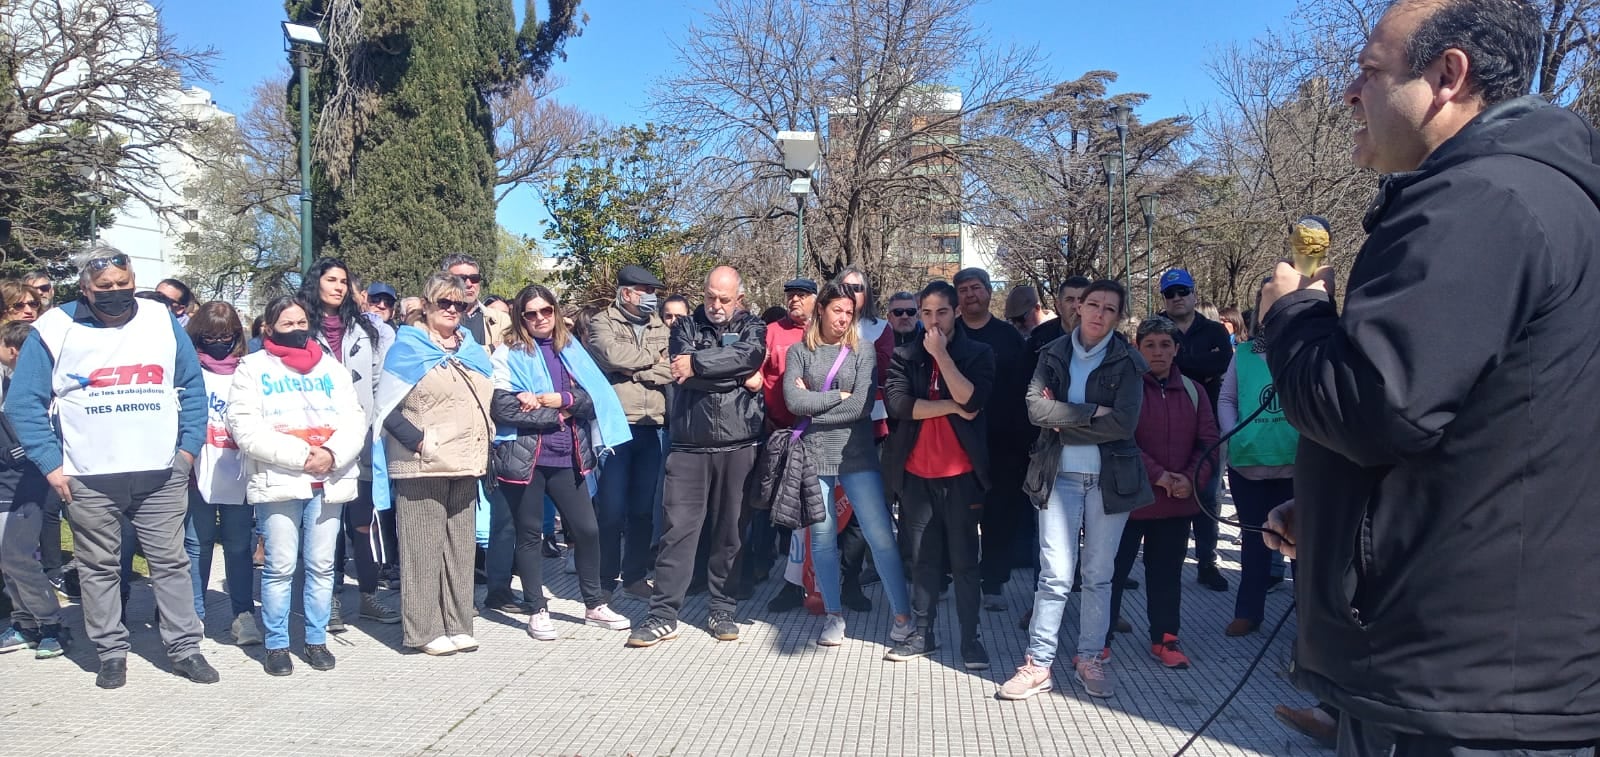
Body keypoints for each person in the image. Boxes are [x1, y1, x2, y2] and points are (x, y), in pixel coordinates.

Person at [1260, 1, 1600, 753]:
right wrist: (1335, 514)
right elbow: (1488, 439)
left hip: (1457, 690)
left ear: (1448, 77)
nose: (1349, 92)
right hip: (1483, 671)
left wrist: (1294, 313)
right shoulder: (1534, 197)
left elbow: (1374, 406)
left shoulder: (1480, 200)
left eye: (1370, 72)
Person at [7, 245, 218, 689]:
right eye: (105, 287)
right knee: (98, 566)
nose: (117, 293)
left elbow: (191, 388)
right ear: (85, 287)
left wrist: (187, 452)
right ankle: (111, 652)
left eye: (124, 284)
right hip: (86, 476)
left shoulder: (160, 320)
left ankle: (185, 648)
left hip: (160, 472)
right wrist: (51, 464)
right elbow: (24, 403)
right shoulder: (55, 326)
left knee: (171, 563)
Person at [999, 279, 1150, 701]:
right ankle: (1038, 664)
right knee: (1055, 576)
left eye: (1110, 308)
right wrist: (1089, 412)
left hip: (1110, 479)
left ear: (1118, 317)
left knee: (1099, 575)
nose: (1099, 314)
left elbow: (1123, 423)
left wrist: (1063, 419)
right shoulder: (1053, 353)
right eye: (1093, 304)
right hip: (1058, 474)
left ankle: (1090, 658)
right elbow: (1034, 408)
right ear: (1077, 308)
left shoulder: (1128, 361)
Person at [226, 296, 366, 675]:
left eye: (302, 322)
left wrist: (332, 455)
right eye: (287, 324)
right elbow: (244, 426)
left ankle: (316, 639)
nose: (297, 330)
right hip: (281, 479)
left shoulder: (332, 368)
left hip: (328, 479)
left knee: (321, 566)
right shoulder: (252, 369)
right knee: (280, 567)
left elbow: (355, 419)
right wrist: (301, 456)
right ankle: (276, 644)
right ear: (268, 329)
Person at [628, 266, 765, 647]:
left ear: (738, 297)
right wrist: (738, 374)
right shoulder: (684, 326)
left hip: (739, 444)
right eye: (710, 296)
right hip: (689, 445)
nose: (716, 305)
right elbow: (680, 369)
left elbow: (748, 356)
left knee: (731, 532)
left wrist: (703, 366)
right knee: (678, 532)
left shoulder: (754, 326)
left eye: (724, 298)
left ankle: (722, 607)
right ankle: (661, 615)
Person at [491, 284, 633, 639]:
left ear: (555, 312)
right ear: (520, 318)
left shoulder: (572, 349)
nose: (540, 318)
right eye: (531, 313)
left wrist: (558, 399)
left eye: (546, 311)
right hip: (525, 457)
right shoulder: (506, 354)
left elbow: (593, 399)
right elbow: (501, 407)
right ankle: (537, 608)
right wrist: (556, 414)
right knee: (529, 534)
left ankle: (594, 604)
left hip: (568, 455)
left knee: (587, 529)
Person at [783, 281, 913, 647]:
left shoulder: (863, 351)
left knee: (880, 537)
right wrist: (835, 396)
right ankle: (833, 615)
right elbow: (793, 401)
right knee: (822, 541)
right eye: (837, 310)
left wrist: (815, 399)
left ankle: (903, 616)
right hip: (814, 454)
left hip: (857, 455)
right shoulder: (799, 351)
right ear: (821, 309)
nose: (843, 318)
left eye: (849, 313)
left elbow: (861, 406)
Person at [375, 272, 496, 656]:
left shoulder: (471, 348)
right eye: (443, 302)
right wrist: (420, 442)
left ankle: (458, 623)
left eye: (458, 304)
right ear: (425, 306)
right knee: (422, 548)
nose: (451, 310)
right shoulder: (407, 347)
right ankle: (423, 630)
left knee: (460, 548)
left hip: (466, 460)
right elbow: (386, 409)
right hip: (422, 462)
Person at [881, 280, 995, 669]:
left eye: (941, 313)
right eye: (925, 313)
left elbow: (974, 400)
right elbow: (899, 405)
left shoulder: (978, 353)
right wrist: (948, 405)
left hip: (961, 475)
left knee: (964, 561)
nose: (932, 321)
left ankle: (970, 638)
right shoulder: (904, 355)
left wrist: (942, 357)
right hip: (916, 474)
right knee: (922, 560)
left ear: (956, 312)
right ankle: (922, 632)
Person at [1105, 316, 1217, 670]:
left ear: (1177, 349)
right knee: (1112, 572)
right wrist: (1158, 475)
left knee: (1167, 574)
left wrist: (1189, 478)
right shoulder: (1125, 388)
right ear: (1137, 347)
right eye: (1150, 344)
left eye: (1166, 345)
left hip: (1176, 503)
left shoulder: (1194, 391)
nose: (1158, 352)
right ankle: (1100, 639)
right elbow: (1119, 439)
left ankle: (1165, 638)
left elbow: (1210, 443)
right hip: (1129, 501)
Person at [298, 257, 397, 629]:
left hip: (362, 437)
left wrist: (375, 427)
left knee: (361, 520)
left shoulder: (364, 328)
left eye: (344, 281)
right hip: (319, 437)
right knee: (327, 523)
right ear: (316, 283)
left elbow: (376, 381)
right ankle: (332, 600)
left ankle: (369, 595)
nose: (338, 287)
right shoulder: (303, 325)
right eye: (331, 280)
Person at [586, 265, 674, 603]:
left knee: (641, 509)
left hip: (651, 425)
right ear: (626, 292)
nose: (652, 296)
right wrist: (651, 359)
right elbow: (611, 355)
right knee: (610, 509)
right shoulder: (602, 322)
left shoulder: (658, 324)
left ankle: (635, 575)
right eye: (644, 289)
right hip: (615, 426)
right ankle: (605, 579)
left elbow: (671, 367)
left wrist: (633, 370)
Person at [1221, 278, 1298, 638]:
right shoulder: (1245, 354)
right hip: (1248, 463)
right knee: (1254, 539)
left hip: (1295, 463)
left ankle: (1308, 620)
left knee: (1302, 544)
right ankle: (1248, 612)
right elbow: (1227, 400)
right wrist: (1232, 432)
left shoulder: (1303, 349)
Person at [951, 267, 1030, 612]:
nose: (970, 295)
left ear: (988, 292)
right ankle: (954, 575)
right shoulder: (947, 335)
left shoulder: (1009, 337)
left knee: (999, 514)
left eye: (976, 288)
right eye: (964, 290)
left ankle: (994, 581)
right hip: (956, 439)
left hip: (1003, 439)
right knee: (957, 515)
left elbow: (1023, 388)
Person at [183, 302, 259, 646]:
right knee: (195, 545)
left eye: (225, 336)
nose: (217, 342)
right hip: (196, 470)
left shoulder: (249, 368)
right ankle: (194, 615)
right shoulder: (187, 367)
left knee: (239, 546)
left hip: (239, 468)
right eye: (209, 336)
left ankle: (243, 615)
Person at [1156, 268, 1232, 592]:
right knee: (1164, 490)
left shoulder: (1215, 330)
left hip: (1208, 422)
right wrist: (1201, 366)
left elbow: (1223, 365)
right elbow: (1154, 366)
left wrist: (1182, 364)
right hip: (1163, 421)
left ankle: (1206, 562)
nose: (1177, 299)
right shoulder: (1156, 327)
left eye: (1182, 291)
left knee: (1207, 494)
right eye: (1170, 294)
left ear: (1194, 293)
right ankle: (1162, 561)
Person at [0, 319, 69, 659]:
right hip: (6, 483)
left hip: (32, 483)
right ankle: (24, 622)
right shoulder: (6, 382)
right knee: (7, 559)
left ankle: (52, 624)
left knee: (17, 555)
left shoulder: (50, 387)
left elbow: (49, 431)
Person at [442, 254, 510, 349]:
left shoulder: (502, 321)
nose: (469, 284)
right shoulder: (434, 319)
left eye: (474, 278)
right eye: (461, 279)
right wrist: (490, 349)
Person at [1027, 276, 1090, 350]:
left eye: (1082, 300)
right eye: (1070, 300)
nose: (1076, 306)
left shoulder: (1103, 340)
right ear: (1059, 306)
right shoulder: (1039, 341)